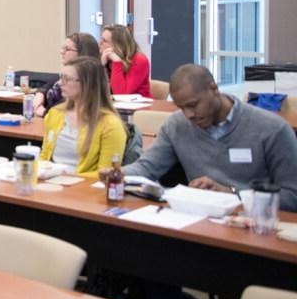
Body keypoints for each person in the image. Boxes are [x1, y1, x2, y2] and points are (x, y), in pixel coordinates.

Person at [123, 64, 297, 212]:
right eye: (182, 108)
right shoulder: (177, 125)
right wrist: (116, 174)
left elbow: (293, 196)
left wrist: (233, 193)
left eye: (193, 105)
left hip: (252, 224)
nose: (189, 114)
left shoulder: (271, 129)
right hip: (200, 221)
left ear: (213, 89)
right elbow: (147, 167)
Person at [38, 57, 128, 178]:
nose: (60, 83)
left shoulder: (110, 125)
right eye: (61, 77)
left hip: (83, 189)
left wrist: (66, 175)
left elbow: (106, 174)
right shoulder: (54, 114)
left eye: (67, 79)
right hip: (51, 182)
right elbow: (44, 158)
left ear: (87, 84)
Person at [34, 32, 101, 116]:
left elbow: (66, 111)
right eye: (62, 48)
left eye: (67, 49)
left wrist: (43, 112)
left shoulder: (85, 82)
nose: (62, 52)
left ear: (82, 53)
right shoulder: (67, 75)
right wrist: (40, 93)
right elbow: (50, 84)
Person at [101, 24, 151, 97]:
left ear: (118, 45)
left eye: (104, 41)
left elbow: (121, 94)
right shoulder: (105, 57)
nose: (100, 43)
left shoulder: (139, 60)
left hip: (138, 106)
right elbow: (92, 90)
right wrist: (101, 66)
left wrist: (117, 62)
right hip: (113, 105)